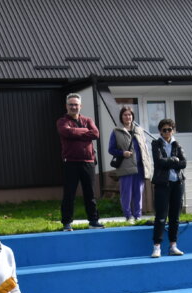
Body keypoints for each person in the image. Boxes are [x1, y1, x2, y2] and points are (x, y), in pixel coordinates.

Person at [56, 93, 104, 231]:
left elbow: (95, 134)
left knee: (90, 194)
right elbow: (66, 132)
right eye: (71, 104)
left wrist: (75, 132)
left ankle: (93, 221)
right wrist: (84, 132)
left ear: (80, 106)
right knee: (69, 194)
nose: (73, 107)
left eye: (76, 104)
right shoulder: (62, 121)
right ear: (66, 106)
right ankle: (66, 223)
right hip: (70, 162)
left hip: (88, 162)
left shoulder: (88, 120)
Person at [107, 106, 153, 222]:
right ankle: (128, 216)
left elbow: (145, 148)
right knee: (126, 194)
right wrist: (122, 153)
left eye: (129, 114)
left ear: (133, 116)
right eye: (125, 115)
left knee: (138, 193)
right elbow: (111, 149)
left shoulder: (139, 130)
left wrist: (148, 165)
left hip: (140, 167)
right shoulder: (116, 131)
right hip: (126, 167)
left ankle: (137, 216)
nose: (128, 117)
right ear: (121, 117)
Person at [150, 118, 187, 258]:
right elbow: (159, 162)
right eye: (164, 130)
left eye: (169, 129)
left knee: (175, 217)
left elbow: (183, 163)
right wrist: (174, 160)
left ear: (173, 130)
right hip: (162, 184)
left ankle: (173, 245)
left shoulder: (177, 144)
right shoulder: (156, 144)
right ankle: (157, 247)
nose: (167, 132)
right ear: (160, 131)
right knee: (161, 216)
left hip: (177, 183)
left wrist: (171, 162)